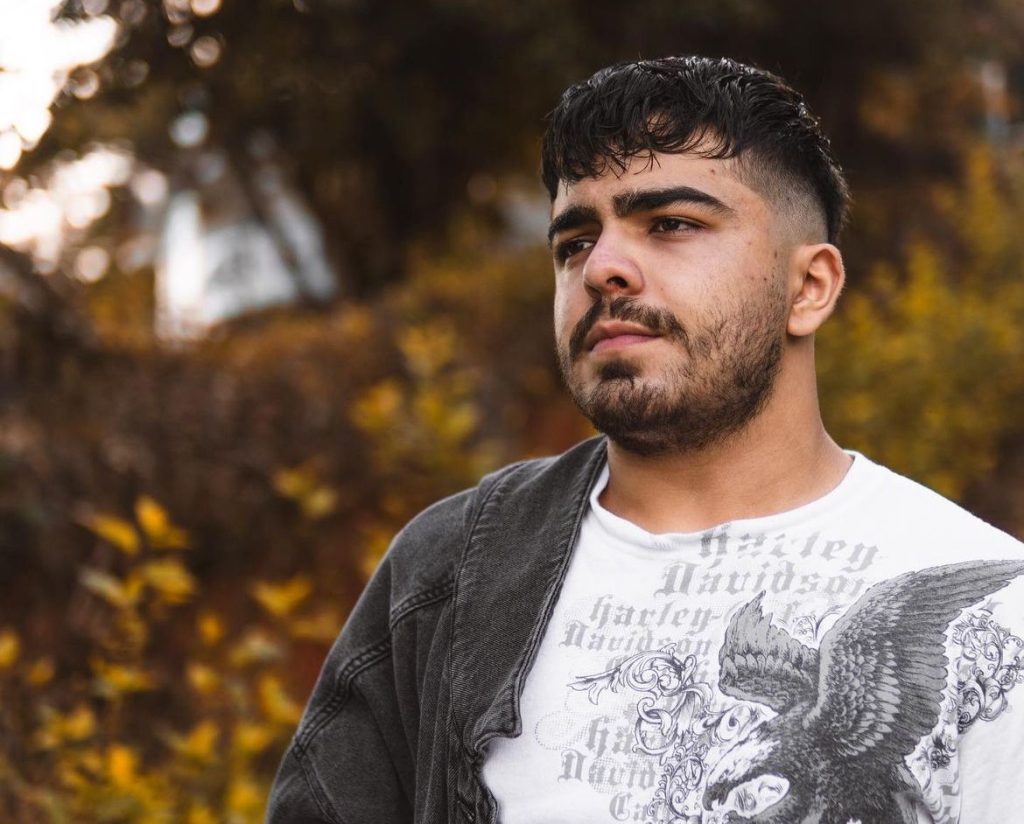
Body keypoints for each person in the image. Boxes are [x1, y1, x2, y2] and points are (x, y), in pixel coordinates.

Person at [266, 56, 1024, 824]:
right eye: (574, 242)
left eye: (671, 225)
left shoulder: (1000, 604)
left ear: (809, 287)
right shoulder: (451, 575)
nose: (603, 269)